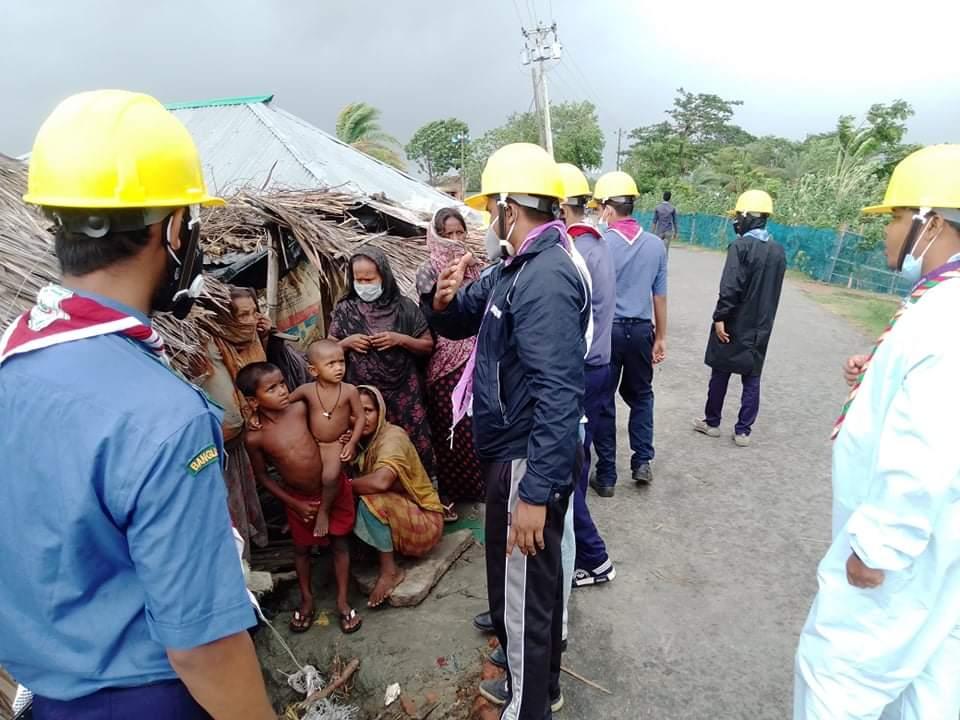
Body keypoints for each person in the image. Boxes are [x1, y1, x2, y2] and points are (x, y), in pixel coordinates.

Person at [0, 90, 273, 719]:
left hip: (46, 697)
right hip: (149, 700)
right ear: (175, 229)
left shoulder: (15, 364)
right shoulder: (165, 417)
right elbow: (201, 648)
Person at [422, 143, 590, 719]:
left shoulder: (545, 277)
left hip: (526, 458)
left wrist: (535, 492)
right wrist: (439, 300)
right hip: (513, 452)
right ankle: (538, 688)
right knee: (527, 591)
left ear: (508, 209)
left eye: (491, 208)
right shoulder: (513, 269)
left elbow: (558, 394)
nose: (488, 219)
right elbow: (461, 317)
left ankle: (527, 706)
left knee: (522, 601)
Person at [795, 144, 960, 720]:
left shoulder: (945, 318)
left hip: (902, 550)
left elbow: (930, 447)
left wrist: (878, 545)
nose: (887, 231)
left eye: (895, 217)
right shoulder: (941, 304)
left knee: (837, 679)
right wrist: (879, 372)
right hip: (936, 539)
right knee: (929, 682)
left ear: (930, 223)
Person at [239, 362, 361, 635]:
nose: (283, 391)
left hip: (332, 488)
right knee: (302, 549)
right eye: (272, 389)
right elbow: (263, 477)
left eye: (282, 383)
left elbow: (330, 424)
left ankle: (342, 600)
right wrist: (293, 504)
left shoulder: (301, 409)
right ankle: (307, 599)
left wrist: (344, 437)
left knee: (340, 543)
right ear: (253, 400)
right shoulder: (255, 437)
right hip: (299, 499)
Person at [557, 163, 617, 587]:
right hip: (598, 365)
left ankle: (594, 558)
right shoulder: (597, 243)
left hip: (581, 368)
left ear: (561, 209)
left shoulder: (574, 251)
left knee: (567, 468)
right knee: (579, 459)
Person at [328, 248, 436, 479]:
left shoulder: (405, 307)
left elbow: (427, 345)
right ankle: (370, 492)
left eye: (369, 279)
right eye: (358, 280)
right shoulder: (345, 309)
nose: (363, 285)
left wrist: (401, 339)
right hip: (363, 395)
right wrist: (347, 343)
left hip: (403, 392)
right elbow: (328, 350)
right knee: (365, 444)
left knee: (412, 442)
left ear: (383, 277)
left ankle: (418, 489)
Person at [590, 170, 668, 494]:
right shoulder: (655, 246)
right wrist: (660, 337)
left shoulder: (599, 244)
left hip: (607, 332)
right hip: (640, 331)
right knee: (642, 395)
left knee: (603, 400)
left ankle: (606, 475)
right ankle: (642, 461)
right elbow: (659, 296)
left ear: (608, 208)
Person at [693, 190, 785, 447]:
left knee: (720, 372)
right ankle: (743, 431)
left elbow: (730, 285)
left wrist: (720, 316)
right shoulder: (777, 251)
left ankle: (712, 422)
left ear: (746, 217)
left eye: (738, 217)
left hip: (734, 321)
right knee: (752, 376)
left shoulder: (740, 246)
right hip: (760, 325)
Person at [350, 385, 445, 608]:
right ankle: (376, 552)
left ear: (380, 411)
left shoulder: (392, 437)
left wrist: (343, 486)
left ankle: (390, 571)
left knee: (369, 500)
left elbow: (381, 482)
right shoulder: (359, 440)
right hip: (401, 511)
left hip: (426, 521)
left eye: (368, 411)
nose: (362, 418)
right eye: (354, 413)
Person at [415, 208, 485, 511]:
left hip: (478, 356)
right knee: (449, 425)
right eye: (448, 234)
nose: (455, 239)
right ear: (436, 236)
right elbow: (431, 314)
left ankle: (481, 487)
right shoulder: (427, 271)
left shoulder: (479, 266)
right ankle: (453, 489)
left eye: (459, 233)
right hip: (444, 361)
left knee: (475, 425)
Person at [195, 286, 273, 554]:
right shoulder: (207, 342)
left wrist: (264, 335)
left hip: (240, 436)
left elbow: (258, 375)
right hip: (220, 441)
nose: (250, 321)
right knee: (226, 500)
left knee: (241, 495)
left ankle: (249, 545)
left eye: (253, 313)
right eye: (242, 315)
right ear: (225, 318)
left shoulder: (252, 336)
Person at [288, 339, 365, 536]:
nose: (339, 368)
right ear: (314, 370)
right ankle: (300, 516)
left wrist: (352, 442)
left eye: (341, 362)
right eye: (331, 364)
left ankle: (324, 510)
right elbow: (283, 405)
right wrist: (255, 415)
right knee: (308, 478)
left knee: (330, 477)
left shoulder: (349, 390)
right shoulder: (306, 390)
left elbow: (360, 417)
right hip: (313, 443)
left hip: (335, 444)